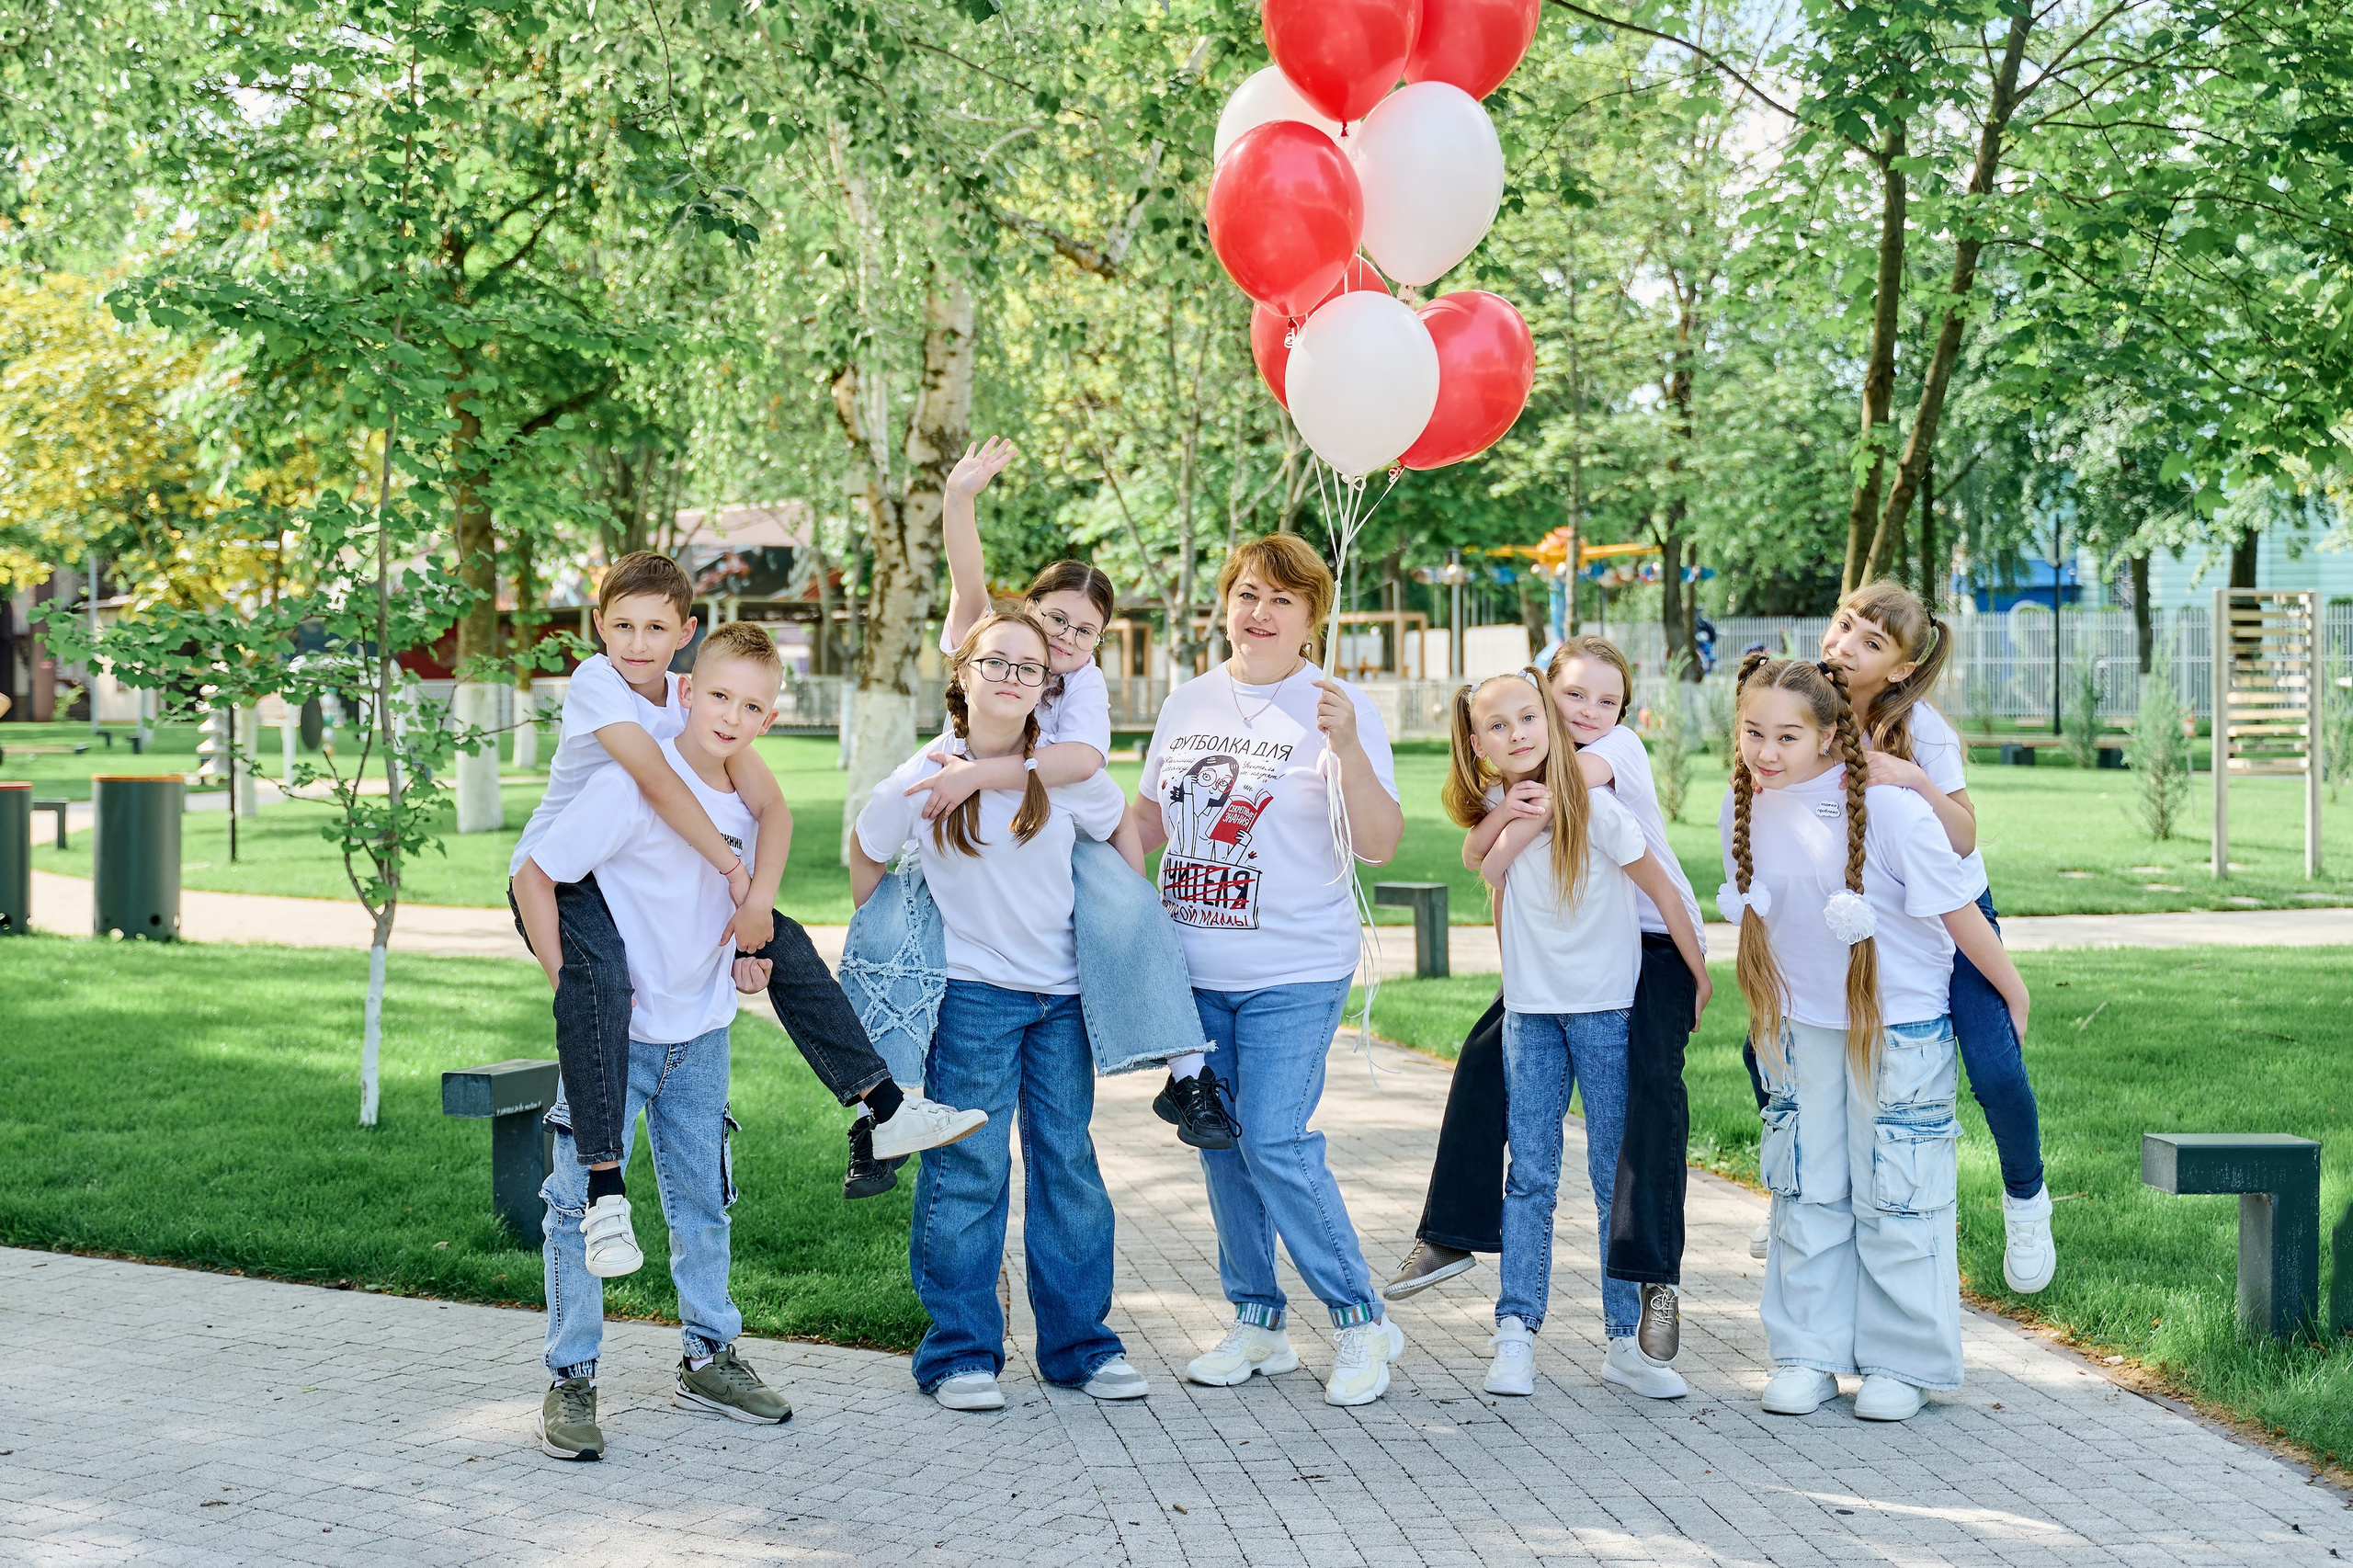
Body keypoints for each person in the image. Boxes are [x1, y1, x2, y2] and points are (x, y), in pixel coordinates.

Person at [512, 624, 872, 1458]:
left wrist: (748, 960)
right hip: (618, 1041)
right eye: (718, 696)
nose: (731, 716)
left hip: (702, 1034)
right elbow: (537, 871)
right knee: (578, 1205)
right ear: (684, 690)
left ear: (768, 719)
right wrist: (567, 985)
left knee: (704, 1206)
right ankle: (572, 1378)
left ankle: (709, 1356)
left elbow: (736, 907)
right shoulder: (630, 785)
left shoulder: (747, 800)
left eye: (752, 706)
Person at [838, 437, 1228, 1185]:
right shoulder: (997, 647)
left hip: (1054, 818)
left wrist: (987, 775)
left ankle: (1186, 1075)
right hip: (951, 825)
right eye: (1055, 619)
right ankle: (875, 1115)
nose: (1064, 639)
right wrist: (960, 499)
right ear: (1026, 614)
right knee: (884, 934)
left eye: (1084, 631)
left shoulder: (1079, 685)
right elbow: (967, 578)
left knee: (1135, 914)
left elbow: (1083, 766)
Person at [1128, 533, 1409, 1407]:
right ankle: (1257, 1320)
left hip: (1296, 966)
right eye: (1247, 594)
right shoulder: (1187, 703)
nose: (1259, 614)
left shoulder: (1337, 706)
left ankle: (1362, 1320)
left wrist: (1350, 750)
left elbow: (1379, 844)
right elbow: (1146, 822)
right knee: (1222, 1146)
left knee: (1277, 1139)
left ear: (1312, 618)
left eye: (1282, 600)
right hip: (1195, 968)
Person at [1385, 637, 1710, 1379]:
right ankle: (1512, 1328)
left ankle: (1631, 1327)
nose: (1586, 712)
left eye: (1606, 699)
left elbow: (1651, 882)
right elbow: (1483, 864)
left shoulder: (1607, 770)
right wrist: (1503, 820)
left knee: (1615, 1164)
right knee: (1528, 1169)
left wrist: (1699, 974)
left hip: (1626, 988)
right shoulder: (1509, 797)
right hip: (1535, 1011)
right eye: (1572, 699)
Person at [1719, 654, 2030, 1423]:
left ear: (1831, 736)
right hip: (1801, 1031)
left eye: (1787, 736)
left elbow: (1959, 917)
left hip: (1899, 1031)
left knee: (1899, 1195)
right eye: (1753, 732)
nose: (1766, 752)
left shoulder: (1890, 812)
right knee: (1806, 1189)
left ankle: (1905, 1361)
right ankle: (1808, 1352)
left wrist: (2011, 992)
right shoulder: (1748, 811)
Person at [851, 612, 1148, 1412]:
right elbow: (866, 846)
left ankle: (1081, 1348)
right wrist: (896, 938)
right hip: (974, 998)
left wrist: (1123, 930)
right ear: (965, 674)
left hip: (1062, 1000)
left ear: (1046, 686)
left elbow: (1122, 832)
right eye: (997, 662)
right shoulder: (927, 772)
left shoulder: (1061, 774)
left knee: (1068, 1166)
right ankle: (959, 1354)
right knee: (970, 1169)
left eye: (1029, 668)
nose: (1013, 677)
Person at [1777, 582, 2052, 1293]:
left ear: (1899, 668)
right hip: (1857, 907)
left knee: (1992, 1061)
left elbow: (1961, 839)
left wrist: (1910, 779)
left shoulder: (1920, 728)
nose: (1844, 646)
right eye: (1844, 626)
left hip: (1949, 907)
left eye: (1871, 643)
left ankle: (2025, 1195)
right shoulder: (1805, 703)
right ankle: (1801, 1182)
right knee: (1785, 1043)